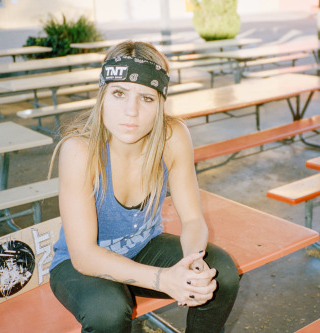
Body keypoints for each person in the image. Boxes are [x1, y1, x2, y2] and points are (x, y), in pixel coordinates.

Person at [48, 40, 240, 333]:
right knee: (108, 313)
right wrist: (164, 280)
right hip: (82, 265)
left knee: (221, 274)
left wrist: (192, 263)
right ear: (102, 96)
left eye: (147, 98)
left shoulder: (172, 137)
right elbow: (84, 255)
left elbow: (192, 220)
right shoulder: (79, 151)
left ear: (160, 102)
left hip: (143, 247)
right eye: (119, 93)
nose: (131, 111)